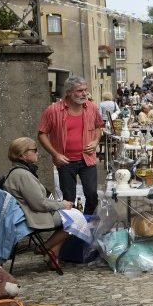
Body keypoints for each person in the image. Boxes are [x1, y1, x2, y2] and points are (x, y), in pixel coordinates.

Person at [38, 76, 105, 214]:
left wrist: (96, 141)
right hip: (65, 161)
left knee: (92, 195)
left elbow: (99, 126)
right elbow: (42, 134)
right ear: (69, 92)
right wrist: (55, 154)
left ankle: (86, 225)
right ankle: (72, 230)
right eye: (80, 91)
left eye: (85, 90)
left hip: (88, 159)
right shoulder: (53, 110)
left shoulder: (91, 107)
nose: (84, 93)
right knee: (69, 199)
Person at [1, 138, 73, 263]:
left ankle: (52, 255)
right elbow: (39, 204)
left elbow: (40, 200)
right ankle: (44, 248)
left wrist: (61, 204)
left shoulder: (21, 172)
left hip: (31, 213)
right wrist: (61, 205)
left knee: (72, 214)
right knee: (74, 221)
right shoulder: (22, 175)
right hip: (33, 217)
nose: (38, 153)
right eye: (34, 150)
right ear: (23, 154)